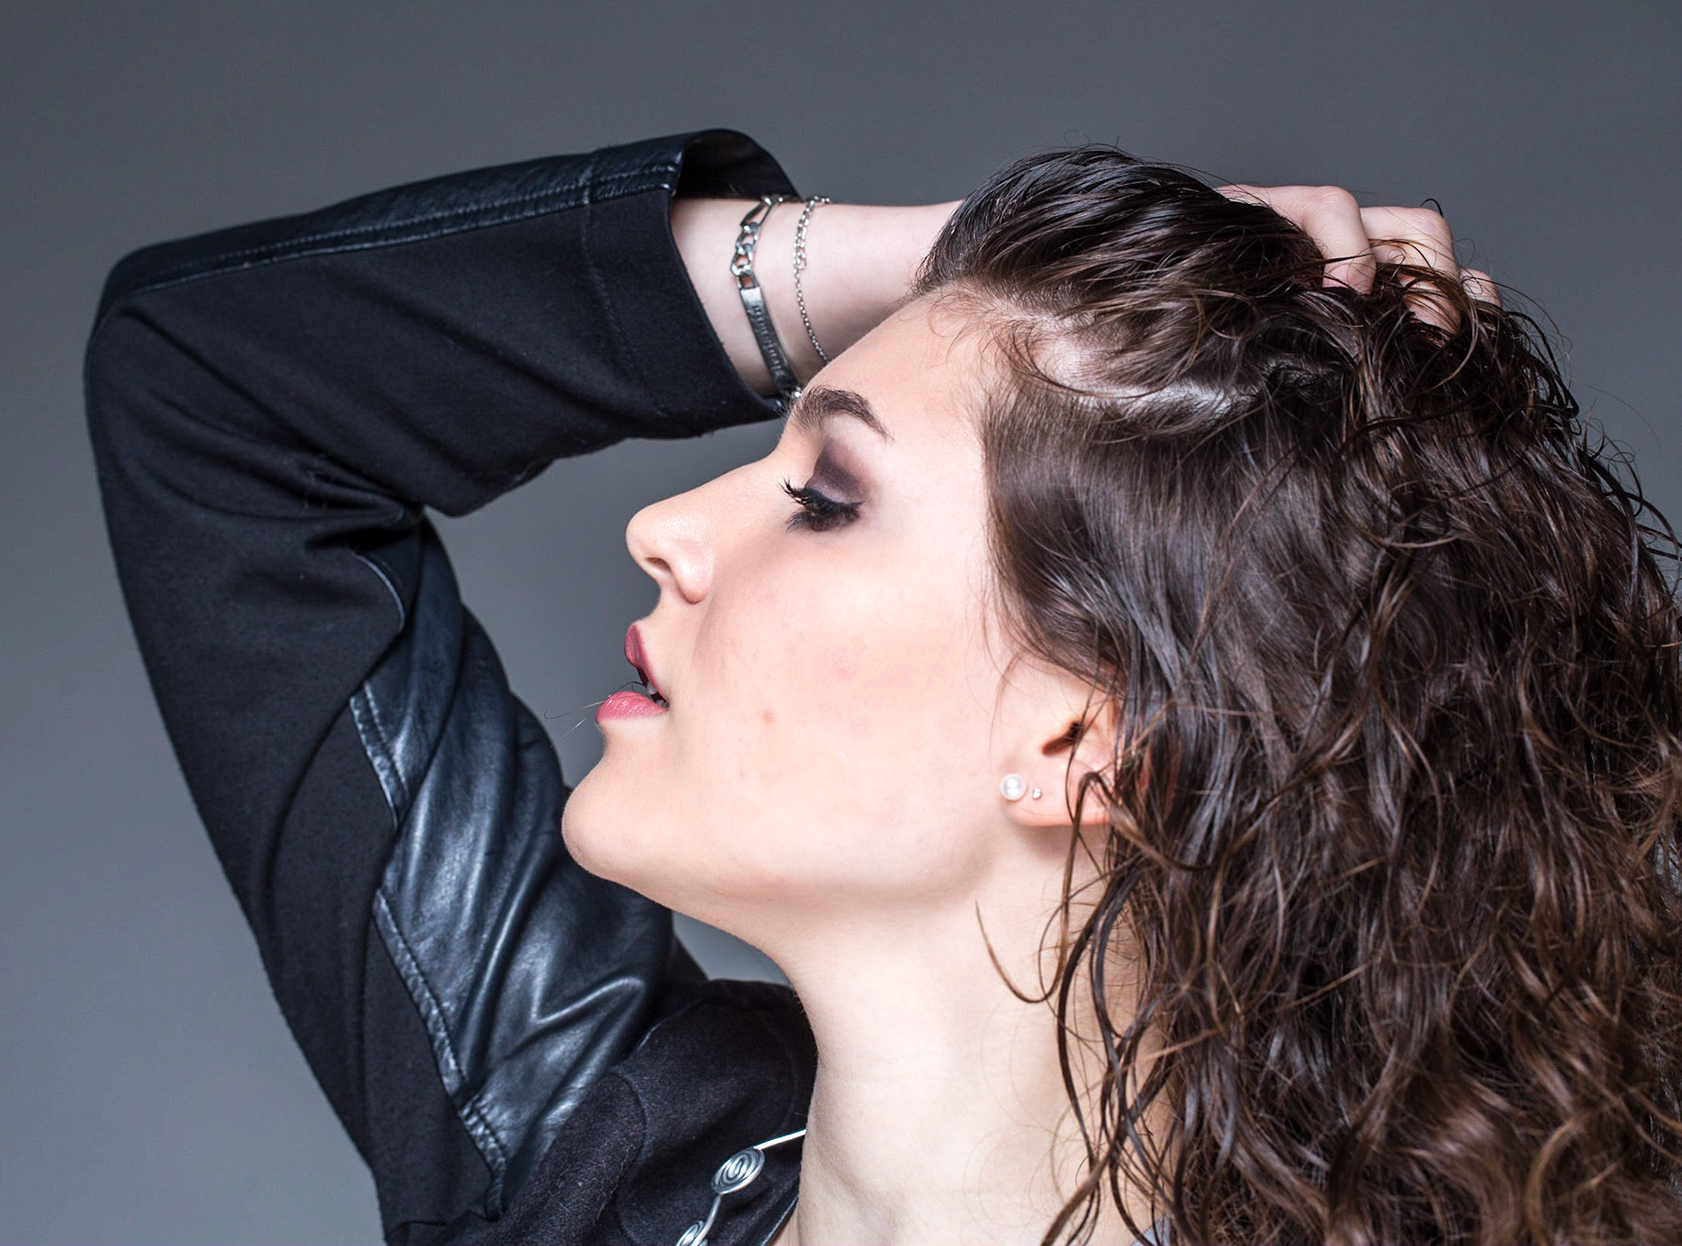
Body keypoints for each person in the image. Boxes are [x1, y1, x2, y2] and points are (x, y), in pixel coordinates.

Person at [84, 130, 1682, 1246]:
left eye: (825, 496)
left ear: (1079, 730)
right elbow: (213, 386)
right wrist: (935, 275)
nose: (662, 528)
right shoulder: (598, 1159)